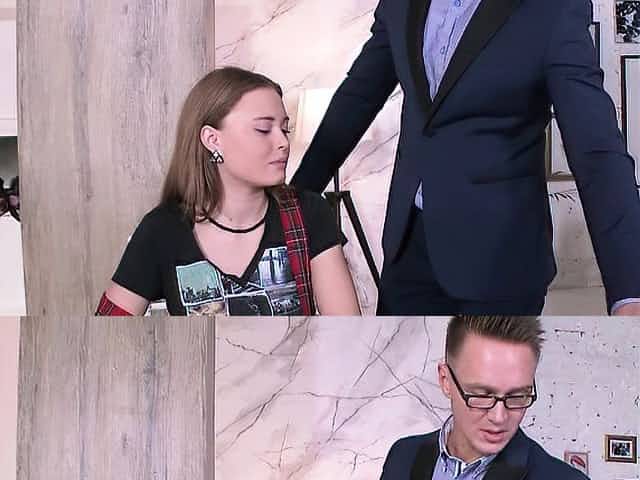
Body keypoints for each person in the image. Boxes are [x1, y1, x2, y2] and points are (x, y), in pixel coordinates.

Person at [291, 0, 640, 315]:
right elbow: (358, 97)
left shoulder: (552, 8)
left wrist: (630, 293)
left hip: (500, 261)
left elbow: (596, 150)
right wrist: (293, 202)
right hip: (409, 248)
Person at [97, 67, 360, 316]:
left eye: (284, 129)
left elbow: (348, 334)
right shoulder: (162, 229)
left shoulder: (309, 213)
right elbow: (108, 334)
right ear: (213, 140)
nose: (283, 142)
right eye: (263, 129)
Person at [380, 316, 589, 480]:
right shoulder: (402, 455)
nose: (499, 417)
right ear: (445, 381)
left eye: (517, 396)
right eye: (481, 394)